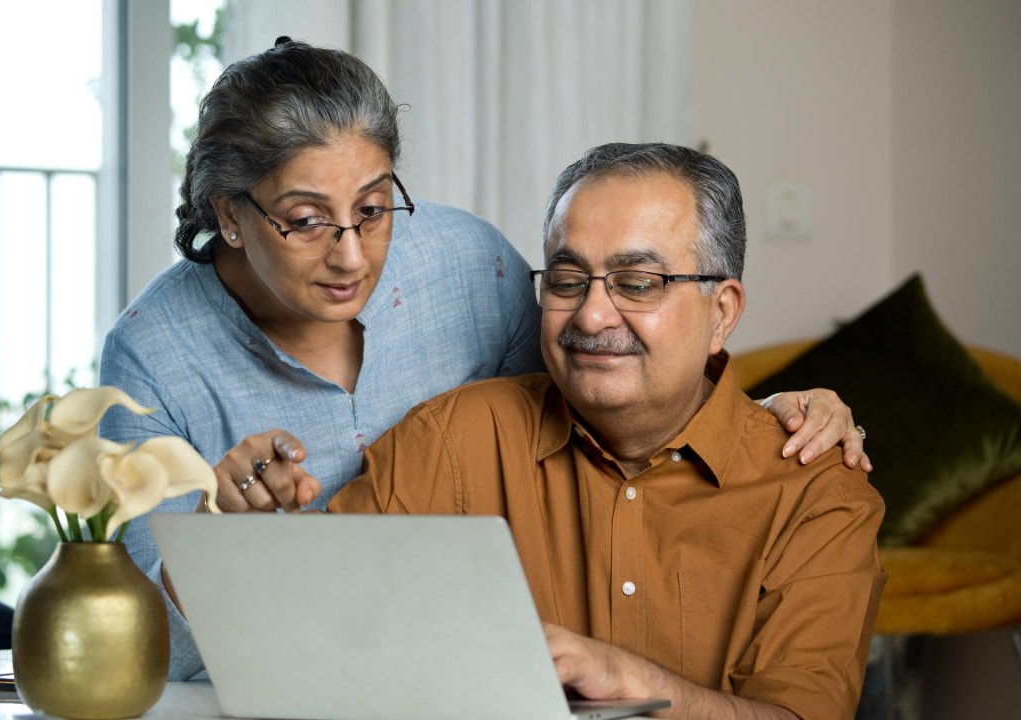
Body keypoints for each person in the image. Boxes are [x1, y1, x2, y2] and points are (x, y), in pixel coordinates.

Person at [99, 39, 868, 682]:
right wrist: (214, 547)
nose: (350, 254)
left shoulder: (471, 266)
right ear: (231, 216)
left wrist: (751, 418)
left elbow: (610, 373)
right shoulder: (154, 357)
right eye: (305, 220)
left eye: (372, 210)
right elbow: (151, 648)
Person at [327, 142, 886, 719]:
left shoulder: (815, 492)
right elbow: (317, 627)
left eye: (637, 283)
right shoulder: (452, 440)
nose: (591, 316)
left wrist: (630, 682)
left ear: (721, 313)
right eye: (567, 281)